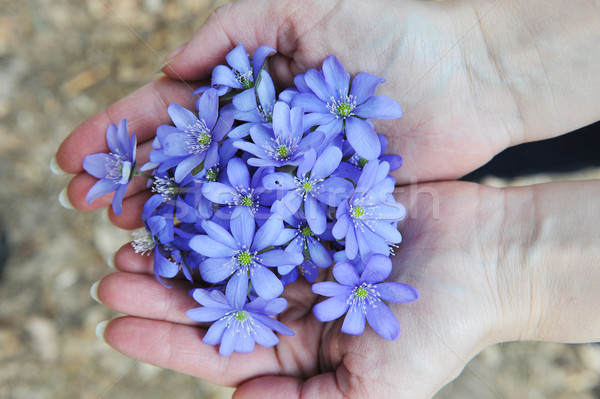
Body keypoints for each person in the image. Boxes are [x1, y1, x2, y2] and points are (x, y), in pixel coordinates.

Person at [54, 0, 600, 397]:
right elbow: (272, 216)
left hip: (301, 191)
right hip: (265, 192)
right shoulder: (251, 192)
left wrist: (480, 68)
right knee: (513, 149)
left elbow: (303, 207)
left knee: (522, 145)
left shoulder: (323, 176)